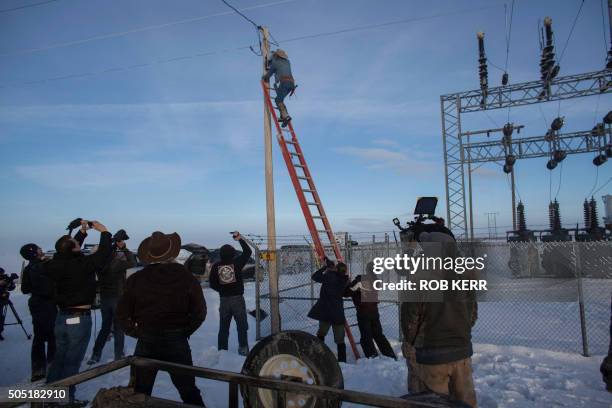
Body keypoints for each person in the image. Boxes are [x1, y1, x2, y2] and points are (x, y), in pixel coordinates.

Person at [117, 231, 206, 406]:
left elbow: (122, 314)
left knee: (139, 393)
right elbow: (200, 312)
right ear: (172, 253)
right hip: (176, 340)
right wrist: (185, 331)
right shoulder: (186, 277)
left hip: (147, 339)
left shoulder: (136, 279)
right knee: (188, 391)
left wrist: (136, 332)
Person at [401, 231, 478, 408]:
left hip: (433, 355)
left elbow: (410, 320)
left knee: (434, 401)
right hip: (462, 351)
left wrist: (415, 343)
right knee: (465, 400)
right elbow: (472, 314)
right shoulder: (466, 274)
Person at [44, 220, 112, 405]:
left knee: (59, 358)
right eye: (76, 244)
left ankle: (50, 398)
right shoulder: (82, 264)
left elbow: (68, 253)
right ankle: (66, 400)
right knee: (72, 362)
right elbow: (104, 254)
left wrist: (82, 232)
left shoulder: (54, 264)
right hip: (78, 319)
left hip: (61, 317)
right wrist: (104, 231)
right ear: (74, 249)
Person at [88, 230, 137, 364]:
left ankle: (95, 354)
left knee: (105, 327)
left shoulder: (98, 264)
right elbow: (133, 262)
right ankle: (118, 356)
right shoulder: (116, 264)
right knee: (119, 327)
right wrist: (124, 248)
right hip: (118, 298)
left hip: (105, 298)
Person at [209, 231, 252, 356]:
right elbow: (248, 252)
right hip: (237, 299)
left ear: (221, 254)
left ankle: (222, 351)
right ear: (233, 254)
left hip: (224, 300)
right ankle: (243, 349)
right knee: (242, 326)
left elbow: (212, 283)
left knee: (223, 328)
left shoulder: (216, 266)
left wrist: (222, 290)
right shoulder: (236, 263)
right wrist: (240, 239)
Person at [20, 243, 57, 382]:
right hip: (47, 303)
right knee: (53, 335)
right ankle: (52, 364)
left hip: (35, 303)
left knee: (39, 336)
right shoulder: (44, 266)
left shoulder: (29, 268)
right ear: (34, 252)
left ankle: (38, 369)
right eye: (39, 249)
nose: (42, 250)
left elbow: (24, 289)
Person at [344, 261, 396, 360]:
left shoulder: (360, 280)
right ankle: (390, 355)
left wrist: (349, 283)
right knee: (378, 335)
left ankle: (372, 357)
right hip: (374, 311)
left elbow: (346, 293)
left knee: (366, 336)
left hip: (363, 312)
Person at [307, 258, 349, 363]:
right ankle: (342, 361)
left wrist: (326, 267)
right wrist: (333, 269)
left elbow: (314, 276)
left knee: (321, 334)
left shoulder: (329, 277)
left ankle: (319, 356)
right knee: (340, 340)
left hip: (326, 312)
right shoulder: (344, 280)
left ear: (336, 269)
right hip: (337, 313)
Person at [262, 49, 295, 127]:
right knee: (280, 99)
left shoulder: (275, 63)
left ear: (276, 56)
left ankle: (286, 116)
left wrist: (264, 77)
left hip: (284, 83)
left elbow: (268, 75)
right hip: (291, 84)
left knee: (278, 100)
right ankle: (283, 117)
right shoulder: (287, 62)